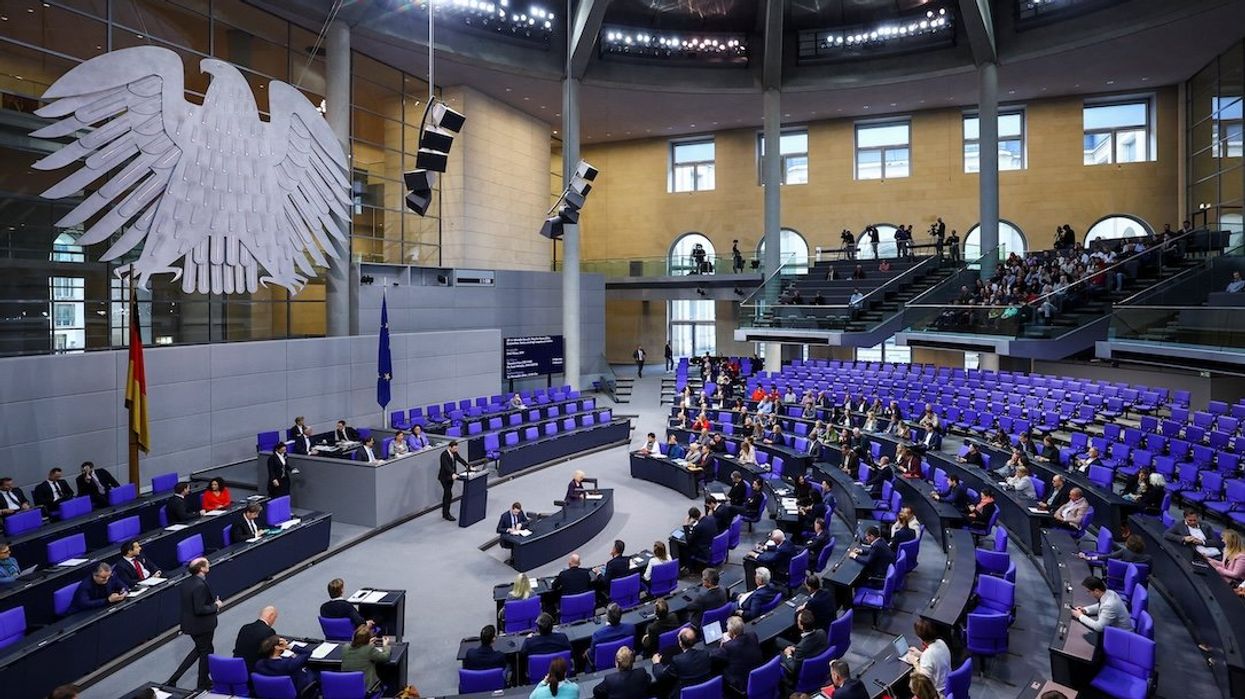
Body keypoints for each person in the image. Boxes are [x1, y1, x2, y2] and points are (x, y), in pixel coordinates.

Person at [168, 557, 222, 690]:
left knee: (200, 650)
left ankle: (173, 679)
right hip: (201, 626)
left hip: (191, 624)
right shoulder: (199, 585)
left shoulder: (187, 582)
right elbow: (200, 609)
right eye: (207, 564)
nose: (209, 564)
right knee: (206, 651)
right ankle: (202, 683)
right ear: (201, 568)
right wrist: (216, 605)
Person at [780, 609, 828, 690]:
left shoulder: (801, 647)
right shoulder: (822, 633)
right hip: (814, 659)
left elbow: (794, 668)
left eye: (798, 620)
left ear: (801, 625)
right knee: (778, 641)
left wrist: (788, 655)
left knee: (779, 654)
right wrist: (796, 649)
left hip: (801, 670)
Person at [653, 627, 712, 694]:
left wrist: (657, 663)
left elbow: (660, 676)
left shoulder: (677, 660)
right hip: (705, 692)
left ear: (680, 643)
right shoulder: (705, 654)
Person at [340, 623, 392, 695]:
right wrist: (386, 645)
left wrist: (367, 644)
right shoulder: (369, 649)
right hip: (367, 690)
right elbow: (385, 657)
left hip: (347, 687)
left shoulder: (345, 648)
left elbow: (360, 649)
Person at [905, 618, 951, 692]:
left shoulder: (928, 655)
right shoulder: (941, 642)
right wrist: (920, 654)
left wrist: (914, 662)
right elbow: (936, 658)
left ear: (920, 637)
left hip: (939, 691)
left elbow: (923, 680)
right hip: (949, 683)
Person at [234, 606, 280, 672]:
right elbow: (270, 656)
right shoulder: (269, 632)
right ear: (271, 616)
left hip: (238, 668)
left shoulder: (245, 627)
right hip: (255, 672)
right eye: (275, 618)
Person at [439, 440, 470, 521]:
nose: (456, 450)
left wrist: (467, 466)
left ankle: (445, 513)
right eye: (454, 448)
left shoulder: (454, 453)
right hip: (445, 477)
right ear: (450, 447)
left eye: (456, 448)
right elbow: (446, 466)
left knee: (448, 495)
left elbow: (460, 459)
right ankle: (446, 514)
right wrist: (452, 473)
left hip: (451, 477)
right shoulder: (444, 455)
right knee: (448, 494)